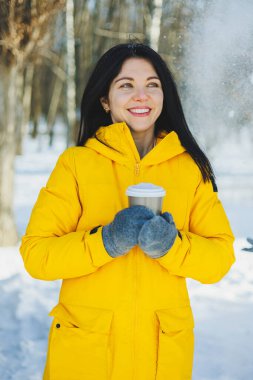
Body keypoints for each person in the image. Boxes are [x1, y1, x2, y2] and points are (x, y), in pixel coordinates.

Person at [20, 43, 235, 380]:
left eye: (152, 84)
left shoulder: (189, 169)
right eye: (126, 85)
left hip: (160, 359)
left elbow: (220, 257)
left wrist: (172, 246)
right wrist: (106, 241)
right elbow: (37, 255)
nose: (141, 95)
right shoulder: (76, 165)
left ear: (165, 96)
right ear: (105, 100)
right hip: (86, 356)